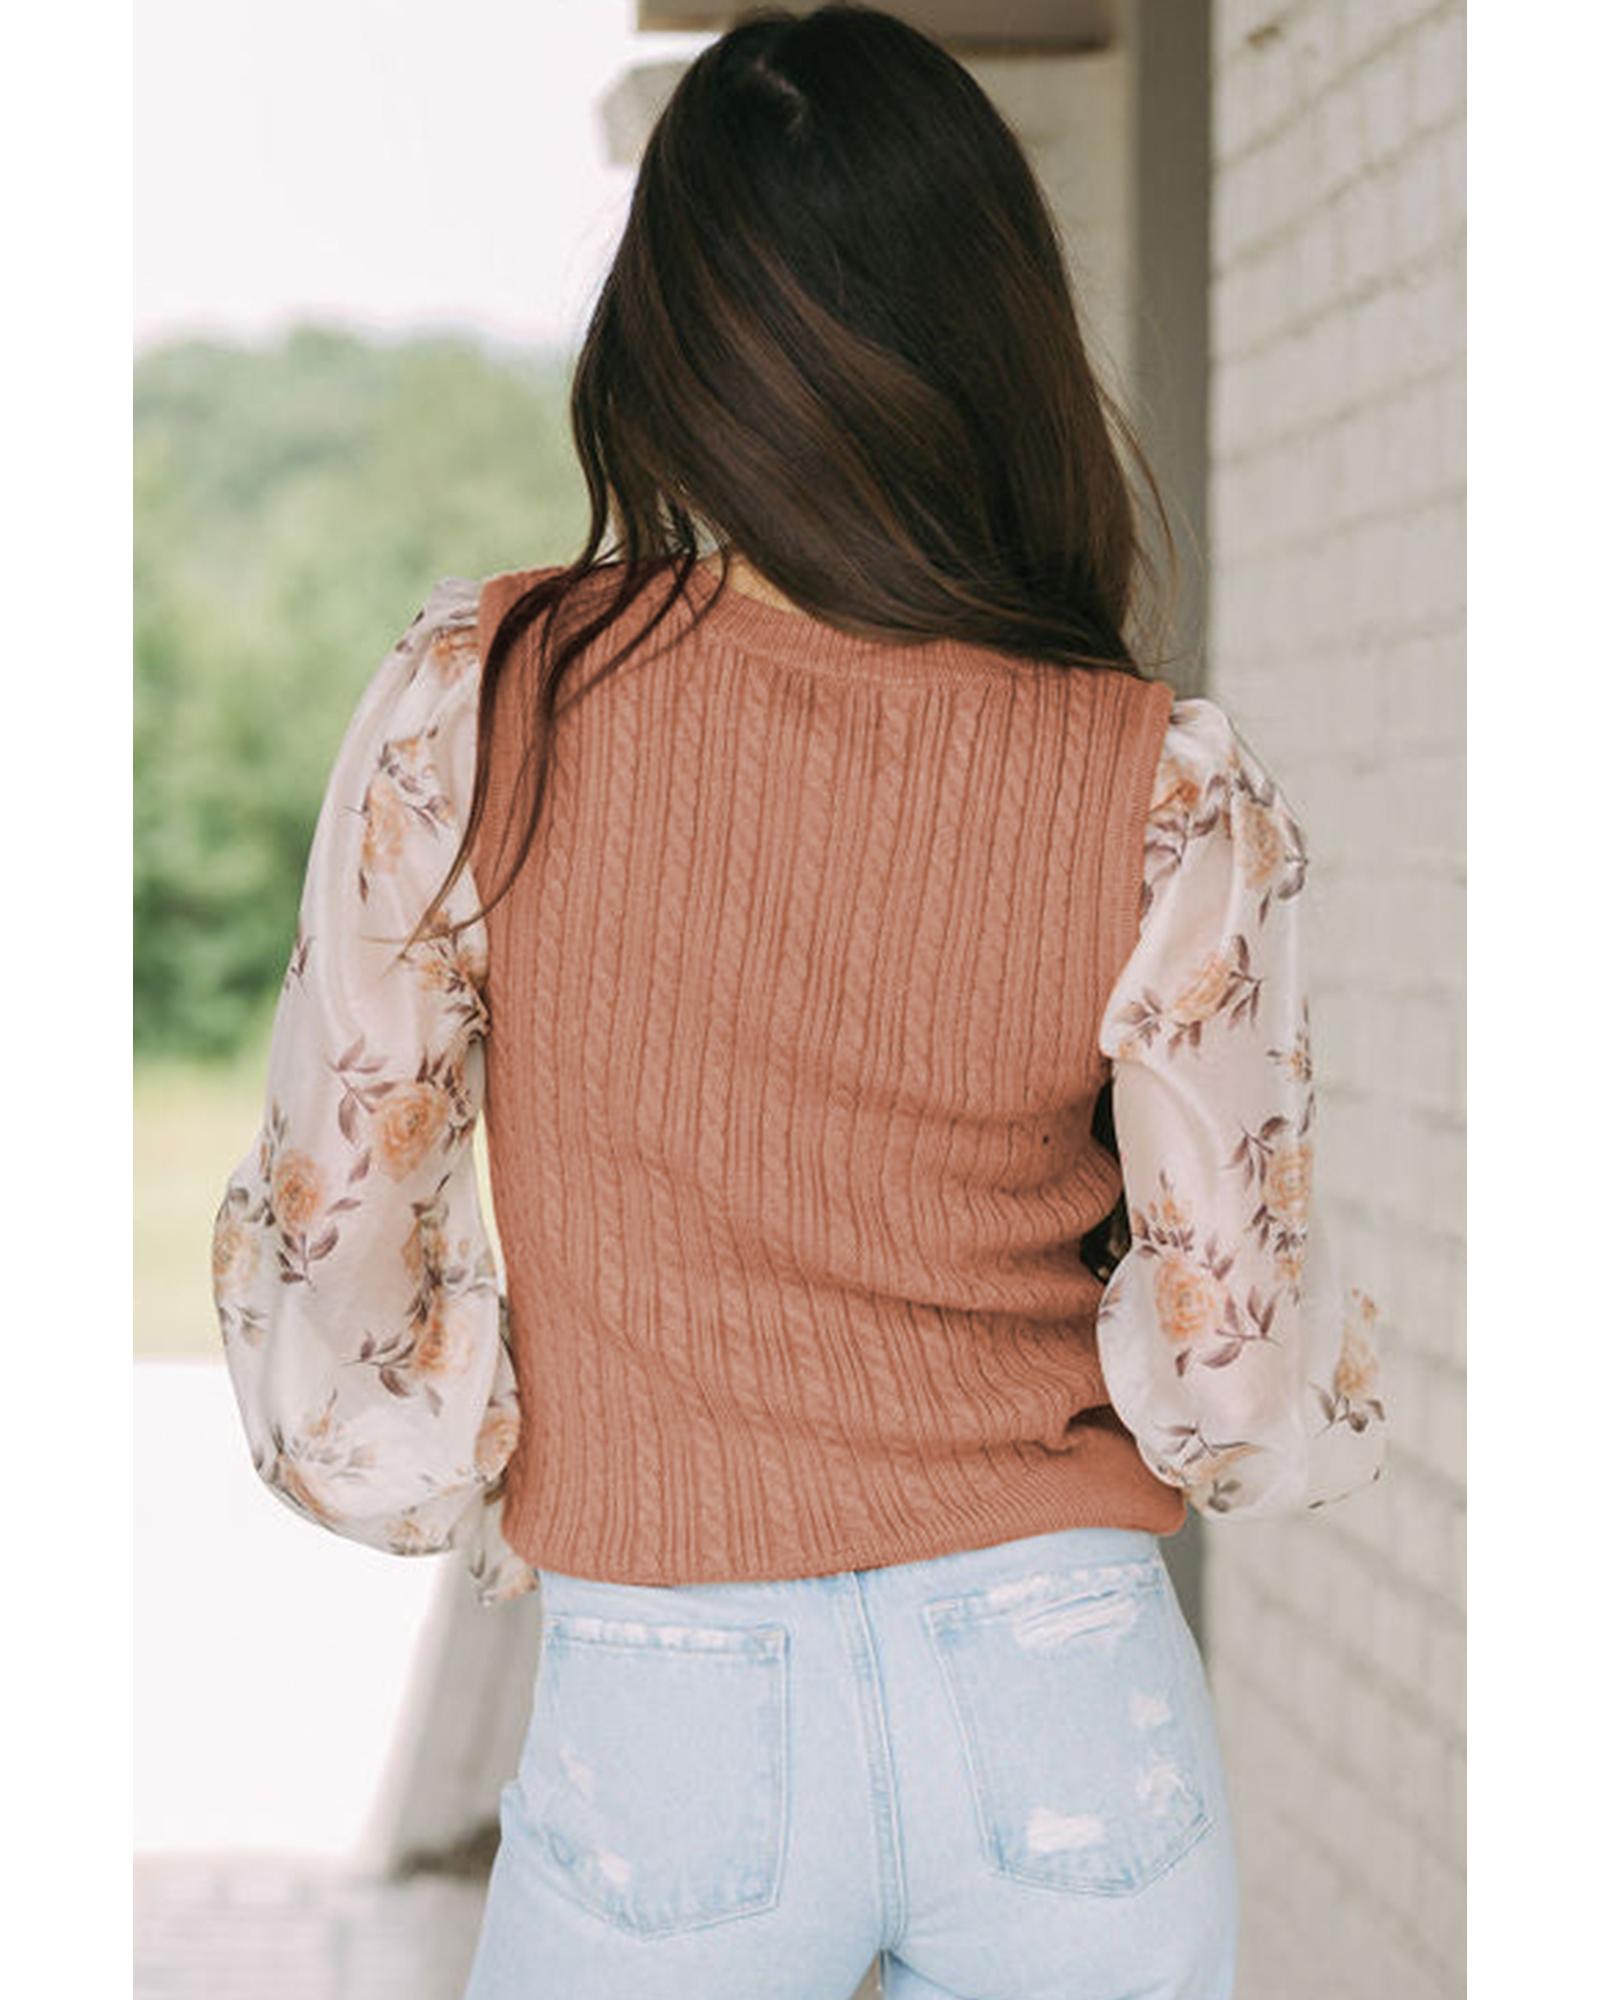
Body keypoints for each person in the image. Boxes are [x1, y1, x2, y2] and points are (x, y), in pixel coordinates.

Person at [209, 7, 1387, 1996]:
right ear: (1001, 334)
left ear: (665, 337)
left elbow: (341, 1223)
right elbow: (1234, 1374)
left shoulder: (486, 705)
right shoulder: (1162, 781)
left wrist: (439, 1445)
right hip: (1071, 1687)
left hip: (671, 1697)